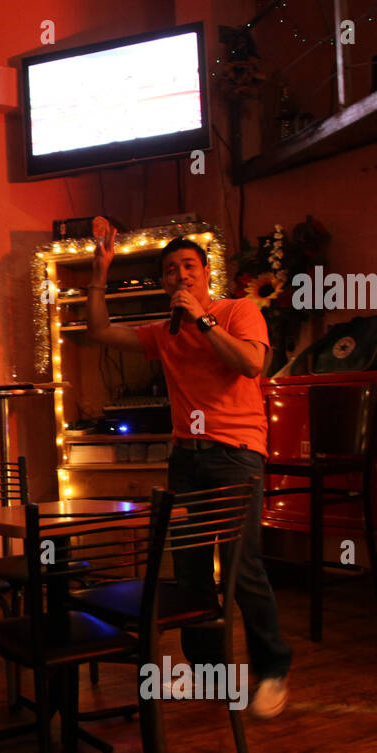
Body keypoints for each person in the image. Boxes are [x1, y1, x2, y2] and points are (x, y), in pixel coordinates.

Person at [85, 233, 292, 718]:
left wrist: (203, 321)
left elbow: (250, 364)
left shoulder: (238, 311)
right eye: (172, 270)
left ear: (204, 274)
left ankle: (274, 669)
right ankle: (210, 674)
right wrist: (99, 274)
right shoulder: (163, 332)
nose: (181, 275)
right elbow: (99, 332)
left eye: (189, 266)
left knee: (241, 565)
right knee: (192, 569)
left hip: (236, 454)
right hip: (187, 458)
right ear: (162, 281)